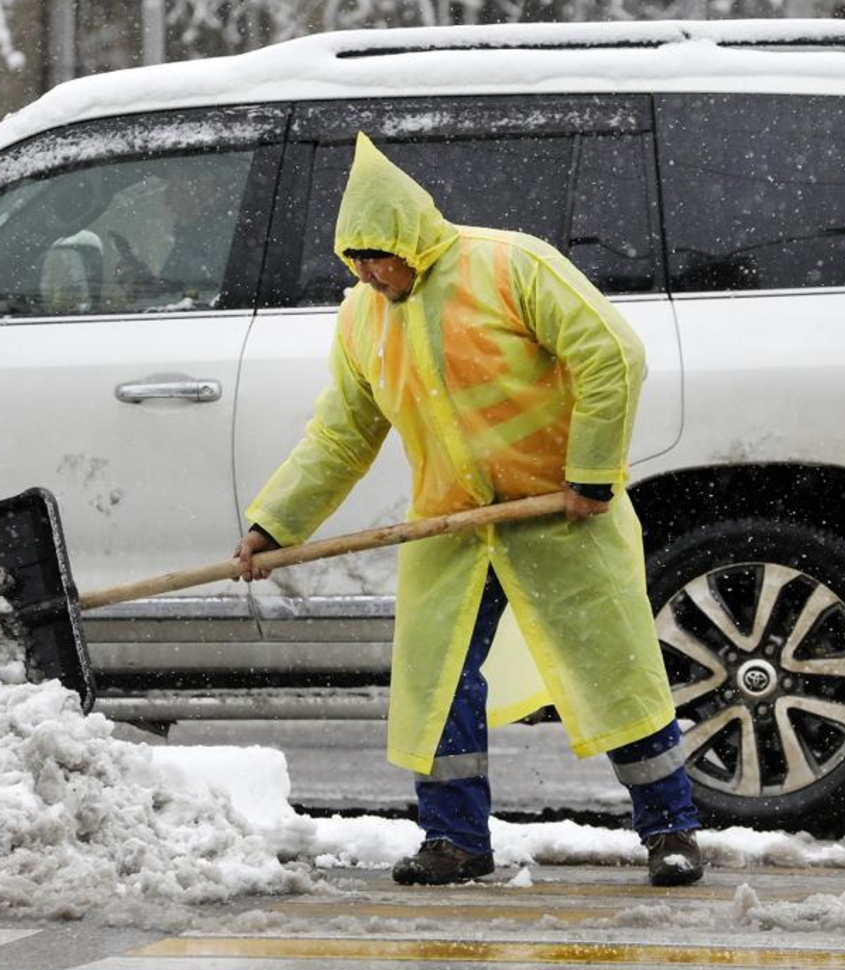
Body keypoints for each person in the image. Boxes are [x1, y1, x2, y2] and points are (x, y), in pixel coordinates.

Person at [233, 134, 702, 888]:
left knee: (616, 669)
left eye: (376, 256)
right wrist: (275, 524)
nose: (365, 272)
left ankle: (671, 831)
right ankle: (454, 840)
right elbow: (343, 434)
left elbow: (611, 356)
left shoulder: (511, 266)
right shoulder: (362, 318)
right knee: (438, 680)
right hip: (451, 524)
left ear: (410, 237)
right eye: (352, 259)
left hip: (561, 511)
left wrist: (588, 474)